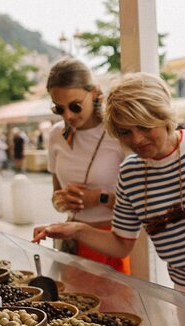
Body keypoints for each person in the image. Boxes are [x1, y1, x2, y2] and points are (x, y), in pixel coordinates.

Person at [33, 72, 185, 308]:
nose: (137, 139)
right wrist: (76, 229)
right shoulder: (130, 173)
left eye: (143, 126)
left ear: (162, 115)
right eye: (125, 132)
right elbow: (121, 244)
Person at [43, 57, 130, 274]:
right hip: (72, 240)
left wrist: (100, 198)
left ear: (94, 92)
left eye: (75, 106)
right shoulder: (56, 135)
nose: (68, 116)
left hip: (113, 240)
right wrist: (62, 200)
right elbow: (56, 196)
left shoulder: (117, 133)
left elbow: (142, 205)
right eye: (59, 109)